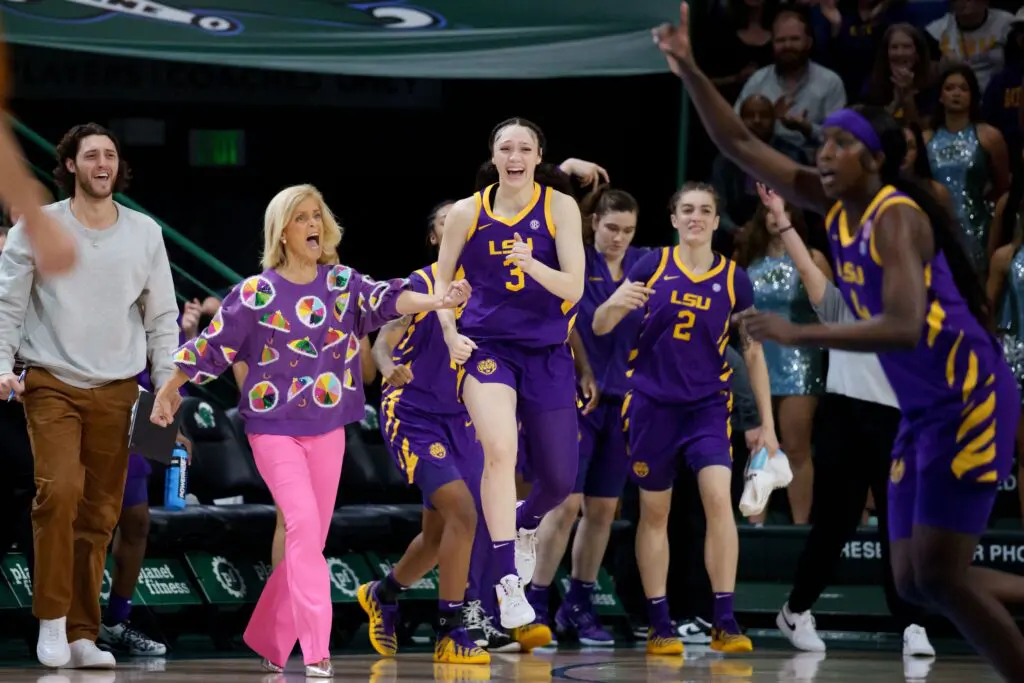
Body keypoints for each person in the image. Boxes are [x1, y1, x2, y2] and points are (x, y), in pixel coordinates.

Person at [652, 5, 1024, 677]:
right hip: (924, 408)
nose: (821, 154)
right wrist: (687, 67)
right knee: (914, 583)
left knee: (938, 576)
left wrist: (801, 330)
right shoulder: (834, 203)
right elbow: (740, 143)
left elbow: (905, 325)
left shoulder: (896, 219)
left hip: (969, 399)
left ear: (874, 158)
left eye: (837, 145)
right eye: (819, 143)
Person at [149, 184, 471, 678]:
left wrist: (437, 299)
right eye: (301, 217)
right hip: (273, 430)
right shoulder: (256, 293)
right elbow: (212, 346)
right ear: (282, 232)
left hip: (328, 428)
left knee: (310, 540)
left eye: (317, 215)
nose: (313, 224)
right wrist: (171, 387)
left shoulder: (341, 283)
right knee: (299, 524)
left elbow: (388, 298)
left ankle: (269, 637)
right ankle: (317, 648)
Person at [0, 123, 179, 670]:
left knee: (100, 512)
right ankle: (52, 621)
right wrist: (1, 363)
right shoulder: (38, 226)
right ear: (71, 165)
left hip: (120, 387)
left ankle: (83, 631)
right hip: (51, 380)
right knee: (59, 494)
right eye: (91, 155)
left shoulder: (145, 232)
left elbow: (163, 316)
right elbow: (8, 302)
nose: (102, 163)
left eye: (110, 154)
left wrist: (168, 382)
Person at [591, 182, 784, 655]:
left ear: (717, 221)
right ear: (674, 219)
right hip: (652, 407)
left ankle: (724, 618)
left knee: (720, 500)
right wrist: (614, 303)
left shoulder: (736, 279)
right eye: (687, 210)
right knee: (655, 514)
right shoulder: (649, 265)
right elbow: (599, 325)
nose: (696, 217)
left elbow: (753, 353)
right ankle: (659, 621)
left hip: (707, 407)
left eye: (705, 210)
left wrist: (768, 424)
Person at [752, 183, 934, 657]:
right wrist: (783, 218)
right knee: (836, 523)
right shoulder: (838, 306)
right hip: (845, 417)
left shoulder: (918, 307)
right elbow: (809, 267)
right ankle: (795, 610)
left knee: (900, 525)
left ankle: (912, 623)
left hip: (899, 423)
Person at [432, 118, 585, 630]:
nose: (514, 155)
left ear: (539, 155)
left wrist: (531, 262)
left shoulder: (559, 207)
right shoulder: (466, 212)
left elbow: (575, 289)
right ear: (493, 156)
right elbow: (443, 277)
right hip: (487, 346)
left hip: (546, 351)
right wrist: (450, 330)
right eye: (505, 147)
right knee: (500, 451)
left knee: (560, 479)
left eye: (524, 147)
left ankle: (525, 521)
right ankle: (506, 581)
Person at [359, 202, 489, 666]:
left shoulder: (489, 288)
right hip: (412, 411)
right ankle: (451, 630)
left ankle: (383, 593)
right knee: (465, 514)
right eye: (446, 221)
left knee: (439, 536)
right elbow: (382, 342)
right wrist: (390, 367)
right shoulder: (420, 283)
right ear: (438, 238)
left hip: (462, 417)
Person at [525, 185, 642, 647]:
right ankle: (534, 603)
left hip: (623, 402)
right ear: (595, 222)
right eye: (612, 227)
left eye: (628, 230)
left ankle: (578, 604)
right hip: (573, 397)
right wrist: (585, 368)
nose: (619, 238)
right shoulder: (573, 261)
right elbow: (565, 318)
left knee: (603, 510)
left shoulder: (643, 265)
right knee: (565, 504)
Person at [734, 200, 828, 524]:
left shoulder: (813, 258)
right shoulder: (748, 261)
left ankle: (800, 525)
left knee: (797, 446)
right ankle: (755, 522)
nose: (776, 216)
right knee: (758, 443)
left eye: (785, 210)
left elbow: (830, 310)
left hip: (799, 361)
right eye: (770, 211)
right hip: (757, 359)